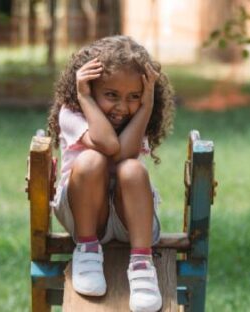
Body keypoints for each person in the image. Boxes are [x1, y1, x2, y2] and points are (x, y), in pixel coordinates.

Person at [45, 35, 175, 312]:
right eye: (111, 95)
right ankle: (88, 250)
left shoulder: (137, 117)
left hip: (131, 224)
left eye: (135, 97)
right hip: (86, 218)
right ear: (90, 88)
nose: (123, 107)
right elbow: (108, 145)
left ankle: (142, 264)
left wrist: (148, 106)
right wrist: (83, 97)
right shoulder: (71, 113)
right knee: (92, 161)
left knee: (132, 169)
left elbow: (123, 154)